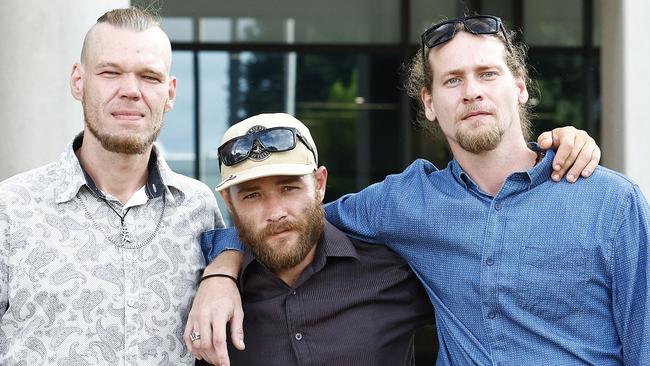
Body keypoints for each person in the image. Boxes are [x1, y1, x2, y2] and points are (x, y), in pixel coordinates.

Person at [188, 14, 649, 366]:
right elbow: (290, 216)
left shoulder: (608, 201)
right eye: (452, 80)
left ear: (521, 88)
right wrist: (222, 272)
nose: (471, 92)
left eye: (487, 74)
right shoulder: (406, 202)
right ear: (429, 103)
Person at [0, 8, 224, 365]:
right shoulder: (10, 208)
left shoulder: (198, 208)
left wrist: (223, 276)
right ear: (79, 80)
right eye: (110, 73)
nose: (131, 91)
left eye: (149, 77)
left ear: (170, 92)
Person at [195, 113, 434, 366]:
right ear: (229, 202)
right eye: (252, 196)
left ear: (320, 184)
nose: (275, 213)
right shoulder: (206, 299)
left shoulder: (393, 271)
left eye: (289, 188)